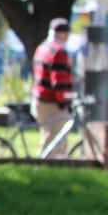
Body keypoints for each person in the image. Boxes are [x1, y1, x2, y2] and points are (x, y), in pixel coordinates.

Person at [31, 18, 75, 151]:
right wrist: (65, 100)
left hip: (39, 99)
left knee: (47, 137)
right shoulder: (59, 51)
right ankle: (45, 169)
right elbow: (59, 81)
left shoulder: (42, 47)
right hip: (52, 102)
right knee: (55, 144)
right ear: (62, 33)